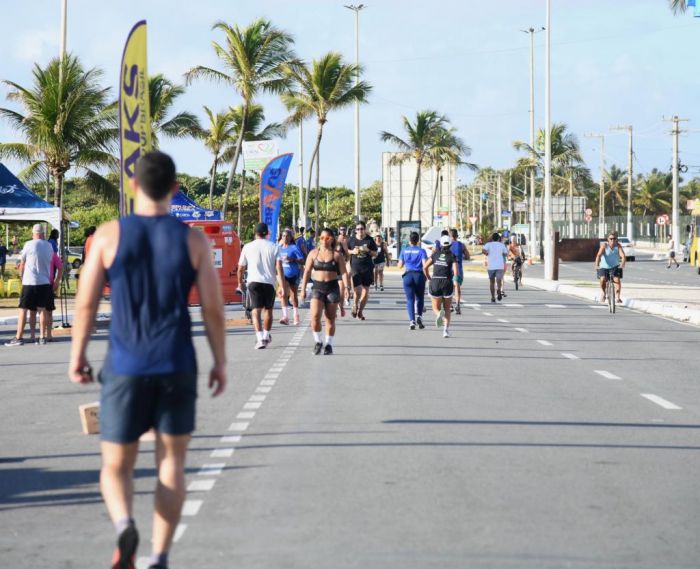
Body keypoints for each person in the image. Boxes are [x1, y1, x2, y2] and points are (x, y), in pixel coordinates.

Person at [68, 150, 226, 569]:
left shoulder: (106, 236)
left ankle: (124, 526)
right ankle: (159, 556)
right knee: (171, 464)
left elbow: (85, 306)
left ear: (133, 185)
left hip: (125, 365)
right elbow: (212, 308)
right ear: (175, 190)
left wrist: (78, 355)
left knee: (115, 465)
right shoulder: (193, 240)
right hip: (177, 363)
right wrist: (220, 362)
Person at [300, 227, 350, 355]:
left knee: (330, 319)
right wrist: (303, 289)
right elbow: (306, 272)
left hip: (332, 289)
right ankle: (318, 341)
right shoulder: (313, 253)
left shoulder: (337, 255)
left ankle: (328, 344)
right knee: (315, 317)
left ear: (331, 239)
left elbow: (344, 273)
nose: (323, 240)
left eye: (326, 238)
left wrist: (347, 289)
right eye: (321, 238)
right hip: (317, 288)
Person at [4, 224, 54, 346]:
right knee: (42, 310)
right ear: (43, 234)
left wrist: (21, 276)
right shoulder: (49, 246)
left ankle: (19, 337)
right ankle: (42, 337)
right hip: (45, 282)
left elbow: (22, 262)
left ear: (33, 233)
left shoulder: (28, 244)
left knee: (23, 309)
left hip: (30, 281)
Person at [237, 222, 284, 349]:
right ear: (267, 233)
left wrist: (240, 282)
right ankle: (266, 335)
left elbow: (240, 268)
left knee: (255, 311)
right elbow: (279, 267)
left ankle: (260, 339)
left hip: (253, 282)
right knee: (268, 310)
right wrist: (282, 286)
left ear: (255, 233)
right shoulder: (274, 246)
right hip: (269, 282)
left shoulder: (247, 247)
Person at [423, 234, 459, 338]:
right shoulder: (452, 256)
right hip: (447, 282)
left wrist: (429, 278)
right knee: (447, 309)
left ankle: (439, 315)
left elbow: (425, 267)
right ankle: (445, 331)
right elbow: (456, 272)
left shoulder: (435, 254)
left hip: (435, 281)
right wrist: (455, 282)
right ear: (450, 245)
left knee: (436, 308)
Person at [347, 220, 378, 320]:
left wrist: (368, 250)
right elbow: (346, 251)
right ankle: (355, 305)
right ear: (355, 230)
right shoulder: (351, 240)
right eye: (358, 229)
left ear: (365, 230)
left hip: (367, 268)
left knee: (365, 292)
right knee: (357, 291)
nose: (360, 230)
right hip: (355, 268)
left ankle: (360, 311)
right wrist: (352, 251)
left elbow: (375, 253)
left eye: (362, 229)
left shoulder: (370, 240)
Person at [398, 231, 428, 330]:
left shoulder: (404, 250)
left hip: (408, 276)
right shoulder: (422, 251)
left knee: (410, 299)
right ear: (418, 240)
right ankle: (419, 316)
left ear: (409, 240)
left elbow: (400, 266)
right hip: (419, 275)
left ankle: (412, 321)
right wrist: (427, 276)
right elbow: (425, 265)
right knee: (420, 298)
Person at [278, 229, 304, 326]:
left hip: (293, 274)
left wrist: (292, 259)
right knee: (282, 293)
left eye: (287, 236)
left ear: (290, 238)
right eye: (283, 236)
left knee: (293, 296)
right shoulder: (279, 248)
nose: (285, 238)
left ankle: (296, 315)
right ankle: (285, 316)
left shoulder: (294, 248)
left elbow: (302, 261)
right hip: (283, 275)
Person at [595, 231, 626, 303]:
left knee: (617, 280)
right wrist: (596, 265)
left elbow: (623, 256)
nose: (612, 240)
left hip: (615, 267)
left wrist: (622, 264)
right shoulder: (604, 246)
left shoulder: (618, 246)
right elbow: (598, 255)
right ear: (608, 239)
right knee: (603, 279)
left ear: (616, 239)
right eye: (611, 239)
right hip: (604, 267)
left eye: (614, 238)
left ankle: (618, 297)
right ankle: (603, 293)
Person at [482, 232, 508, 303]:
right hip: (500, 265)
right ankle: (499, 289)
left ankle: (493, 297)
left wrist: (486, 253)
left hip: (491, 266)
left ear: (492, 238)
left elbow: (483, 250)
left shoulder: (488, 244)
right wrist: (502, 253)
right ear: (499, 238)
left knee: (492, 282)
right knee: (499, 279)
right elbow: (506, 254)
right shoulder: (502, 245)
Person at [44, 248, 63, 342]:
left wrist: (57, 281)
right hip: (37, 283)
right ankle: (41, 334)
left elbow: (60, 267)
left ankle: (48, 334)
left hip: (49, 283)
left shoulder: (52, 253)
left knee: (48, 310)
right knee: (38, 311)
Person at [449, 229, 466, 314]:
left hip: (449, 267)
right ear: (457, 235)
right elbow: (468, 256)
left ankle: (450, 305)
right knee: (457, 286)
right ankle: (458, 305)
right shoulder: (461, 245)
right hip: (458, 267)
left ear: (450, 236)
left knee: (450, 287)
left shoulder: (447, 245)